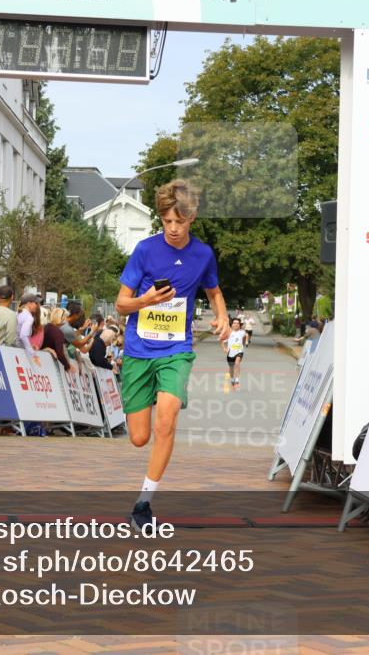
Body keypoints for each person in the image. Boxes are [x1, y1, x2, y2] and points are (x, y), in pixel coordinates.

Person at [115, 179, 230, 531]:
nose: (173, 229)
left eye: (179, 222)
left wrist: (222, 316)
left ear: (191, 218)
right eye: (167, 222)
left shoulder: (203, 255)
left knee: (166, 418)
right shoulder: (145, 251)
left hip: (176, 349)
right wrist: (145, 301)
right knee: (139, 437)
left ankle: (143, 503)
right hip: (138, 350)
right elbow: (121, 305)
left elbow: (213, 291)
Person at [222, 317, 247, 390]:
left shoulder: (242, 332)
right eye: (234, 323)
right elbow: (222, 341)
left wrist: (244, 343)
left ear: (239, 325)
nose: (236, 325)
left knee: (237, 363)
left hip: (239, 351)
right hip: (230, 353)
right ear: (232, 324)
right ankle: (232, 379)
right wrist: (224, 348)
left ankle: (237, 379)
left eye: (237, 323)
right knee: (231, 368)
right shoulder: (228, 333)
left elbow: (245, 337)